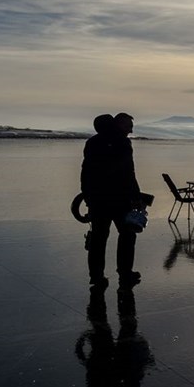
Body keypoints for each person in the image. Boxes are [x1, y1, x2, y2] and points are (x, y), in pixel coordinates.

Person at [81, 111, 143, 289]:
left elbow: (85, 172)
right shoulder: (122, 142)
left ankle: (96, 276)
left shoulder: (92, 143)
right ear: (116, 125)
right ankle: (125, 273)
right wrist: (136, 197)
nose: (130, 131)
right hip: (120, 199)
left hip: (98, 199)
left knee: (98, 239)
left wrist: (87, 196)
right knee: (127, 236)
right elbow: (128, 173)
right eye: (128, 127)